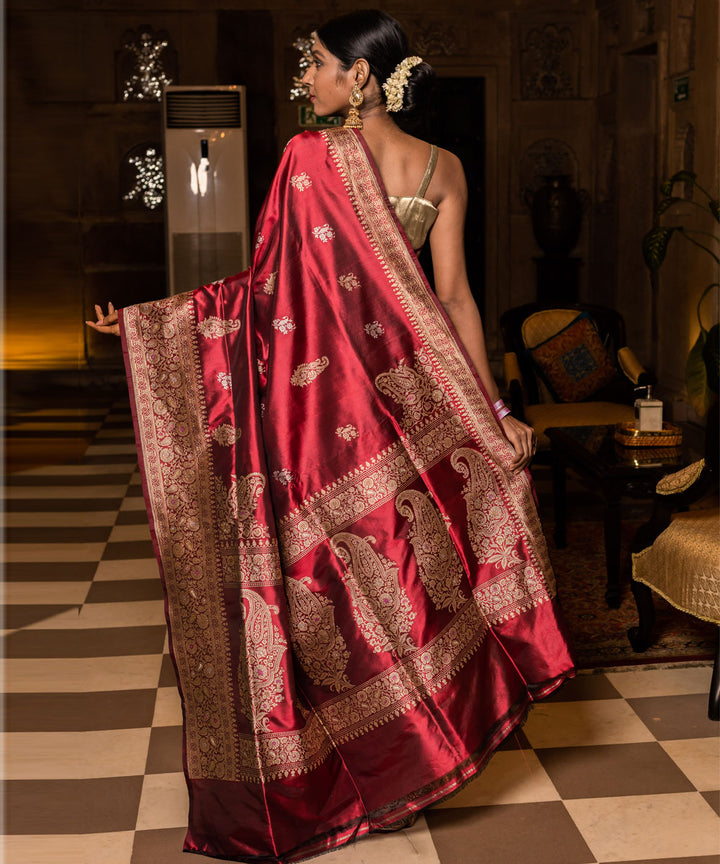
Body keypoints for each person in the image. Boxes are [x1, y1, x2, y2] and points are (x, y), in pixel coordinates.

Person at [88, 10, 574, 863]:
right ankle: (421, 752)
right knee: (412, 579)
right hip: (411, 406)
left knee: (339, 582)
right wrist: (490, 414)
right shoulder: (441, 166)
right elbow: (454, 299)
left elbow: (264, 292)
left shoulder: (310, 156)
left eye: (315, 64)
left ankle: (377, 767)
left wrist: (155, 328)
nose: (303, 79)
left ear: (360, 76)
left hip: (321, 418)